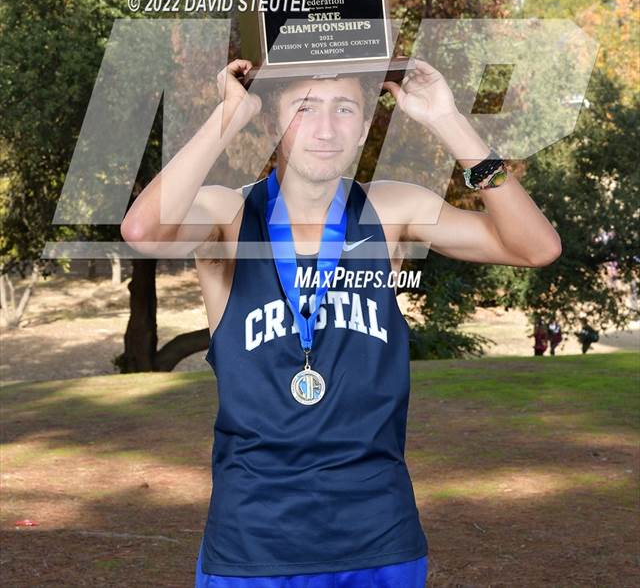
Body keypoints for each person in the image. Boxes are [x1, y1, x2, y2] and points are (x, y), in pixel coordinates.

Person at [121, 57, 562, 587]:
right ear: (273, 120)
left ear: (365, 126)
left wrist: (448, 121)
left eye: (345, 109)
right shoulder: (228, 216)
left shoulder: (392, 209)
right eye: (304, 108)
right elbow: (143, 231)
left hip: (379, 538)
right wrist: (228, 116)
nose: (326, 129)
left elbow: (536, 247)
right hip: (252, 544)